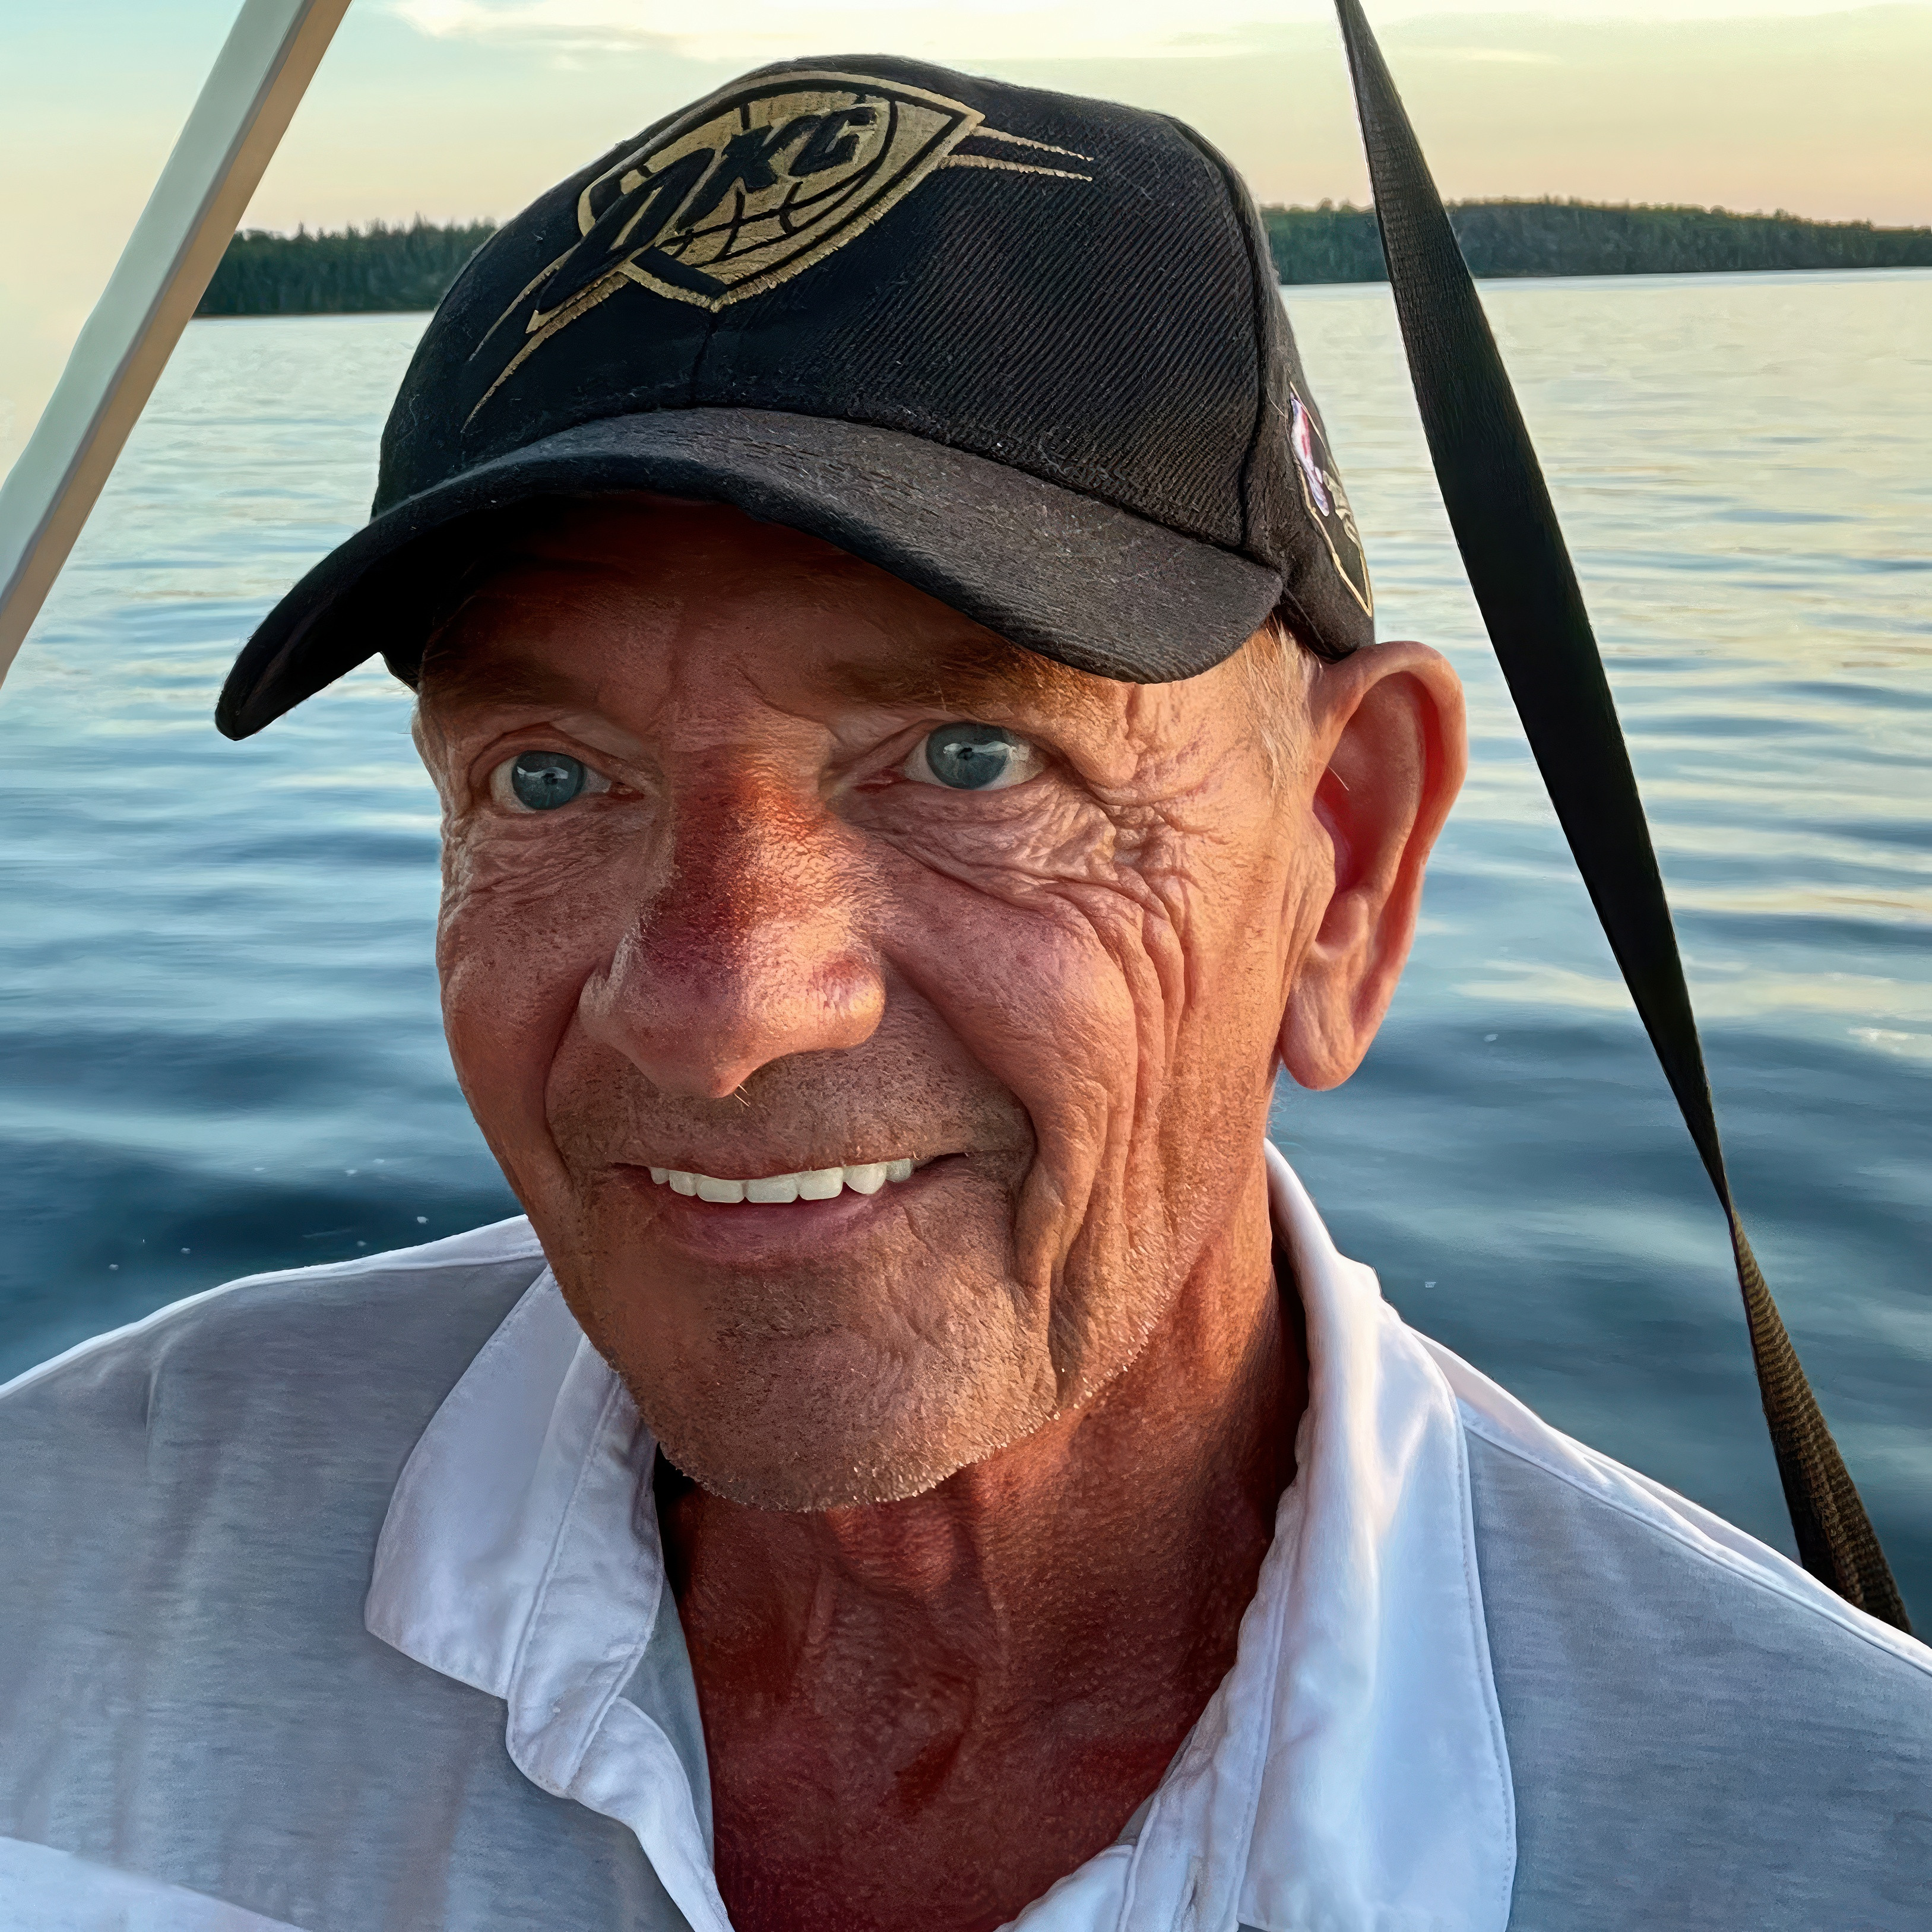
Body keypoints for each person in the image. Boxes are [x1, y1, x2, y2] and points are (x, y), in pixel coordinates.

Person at [2, 55, 1927, 1932]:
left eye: (971, 761)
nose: (720, 1009)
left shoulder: (1839, 1840)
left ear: (1342, 863)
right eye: (552, 779)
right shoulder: (64, 1547)